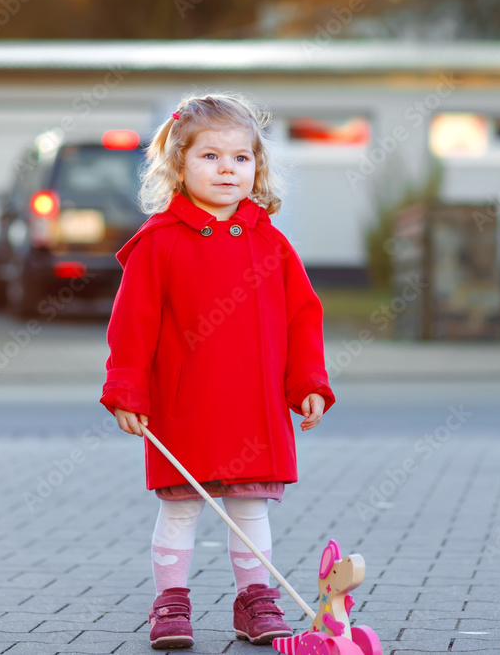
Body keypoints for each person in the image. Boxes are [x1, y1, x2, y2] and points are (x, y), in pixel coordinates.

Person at [99, 91, 336, 649]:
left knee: (250, 507)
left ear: (258, 167)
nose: (227, 168)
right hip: (185, 404)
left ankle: (256, 601)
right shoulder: (159, 243)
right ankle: (171, 605)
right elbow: (131, 325)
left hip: (255, 404)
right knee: (181, 506)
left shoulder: (272, 245)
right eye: (209, 156)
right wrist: (128, 391)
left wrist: (307, 384)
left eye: (241, 157)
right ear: (178, 164)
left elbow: (303, 318)